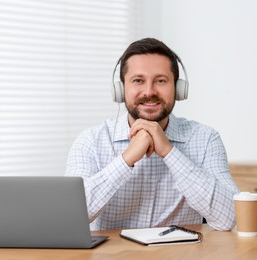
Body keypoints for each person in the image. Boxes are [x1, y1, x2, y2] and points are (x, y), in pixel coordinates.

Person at [65, 38, 239, 231]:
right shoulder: (90, 141)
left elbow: (228, 218)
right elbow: (70, 217)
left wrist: (169, 152)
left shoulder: (206, 139)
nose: (149, 91)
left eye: (161, 81)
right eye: (138, 81)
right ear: (121, 90)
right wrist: (127, 159)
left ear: (178, 89)